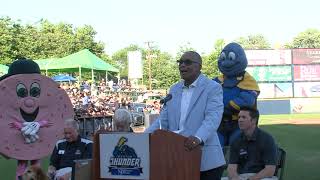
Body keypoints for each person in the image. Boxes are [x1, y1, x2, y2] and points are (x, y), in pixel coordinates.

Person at [145, 51, 225, 180]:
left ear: (199, 66)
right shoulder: (174, 89)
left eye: (187, 62)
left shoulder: (213, 88)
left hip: (206, 162)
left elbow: (213, 117)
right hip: (177, 158)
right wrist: (144, 137)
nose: (182, 65)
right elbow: (163, 120)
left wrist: (198, 138)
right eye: (180, 62)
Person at [226, 106, 278, 180]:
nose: (240, 120)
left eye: (244, 117)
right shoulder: (236, 140)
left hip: (262, 177)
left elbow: (270, 170)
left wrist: (251, 179)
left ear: (254, 120)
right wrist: (235, 177)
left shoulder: (267, 139)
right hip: (242, 176)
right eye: (239, 117)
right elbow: (231, 167)